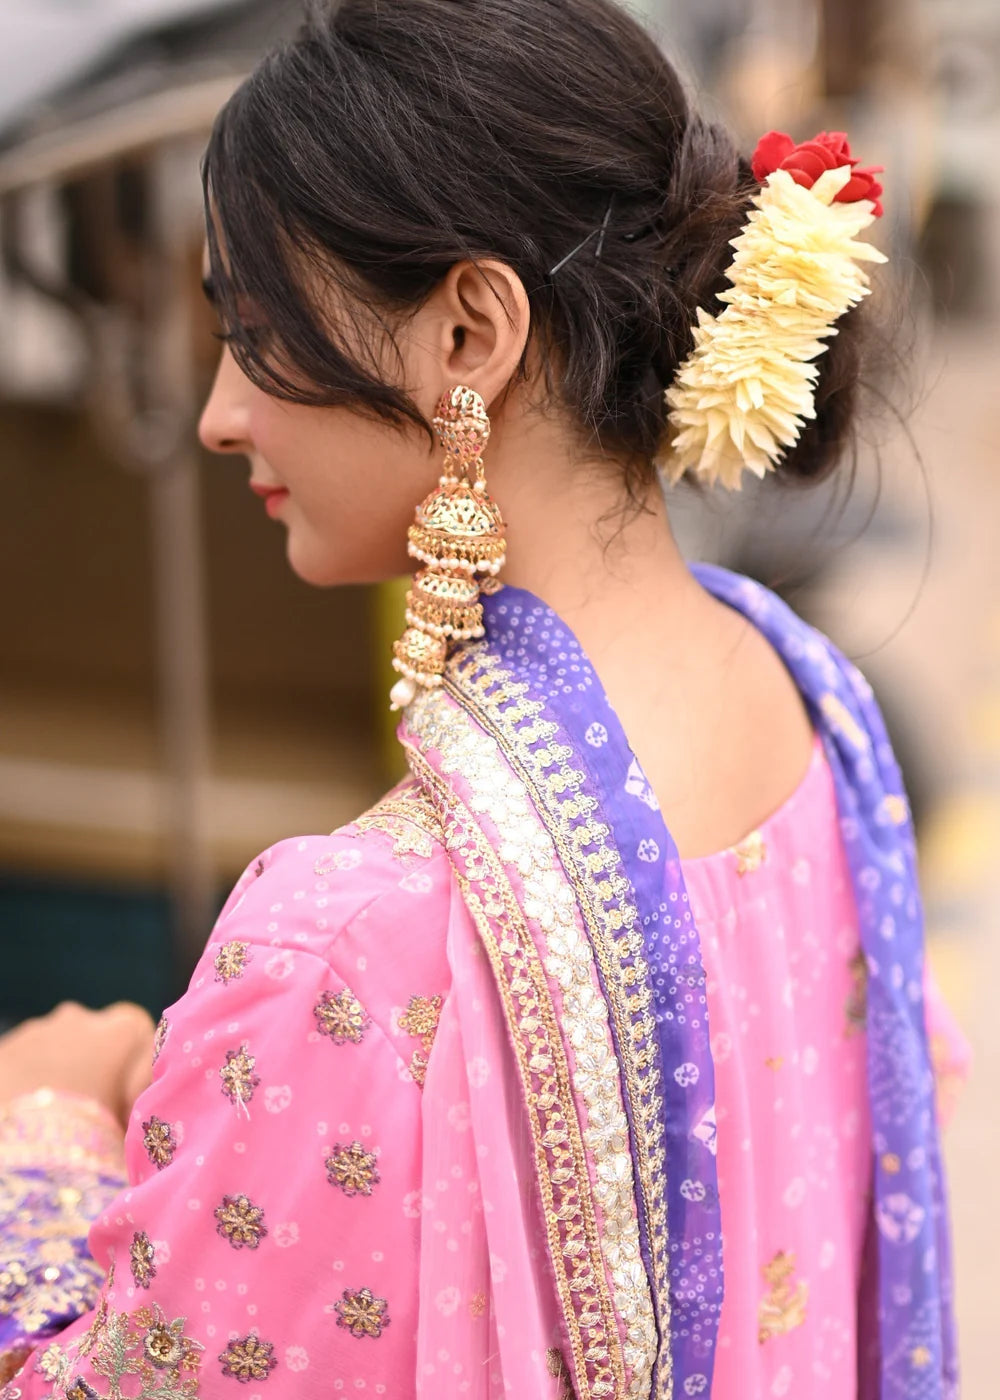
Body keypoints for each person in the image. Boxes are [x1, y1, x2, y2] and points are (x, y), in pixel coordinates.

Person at [0, 1, 969, 1397]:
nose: (219, 411)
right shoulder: (807, 705)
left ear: (469, 330)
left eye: (260, 332)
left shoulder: (350, 942)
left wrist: (42, 1138)